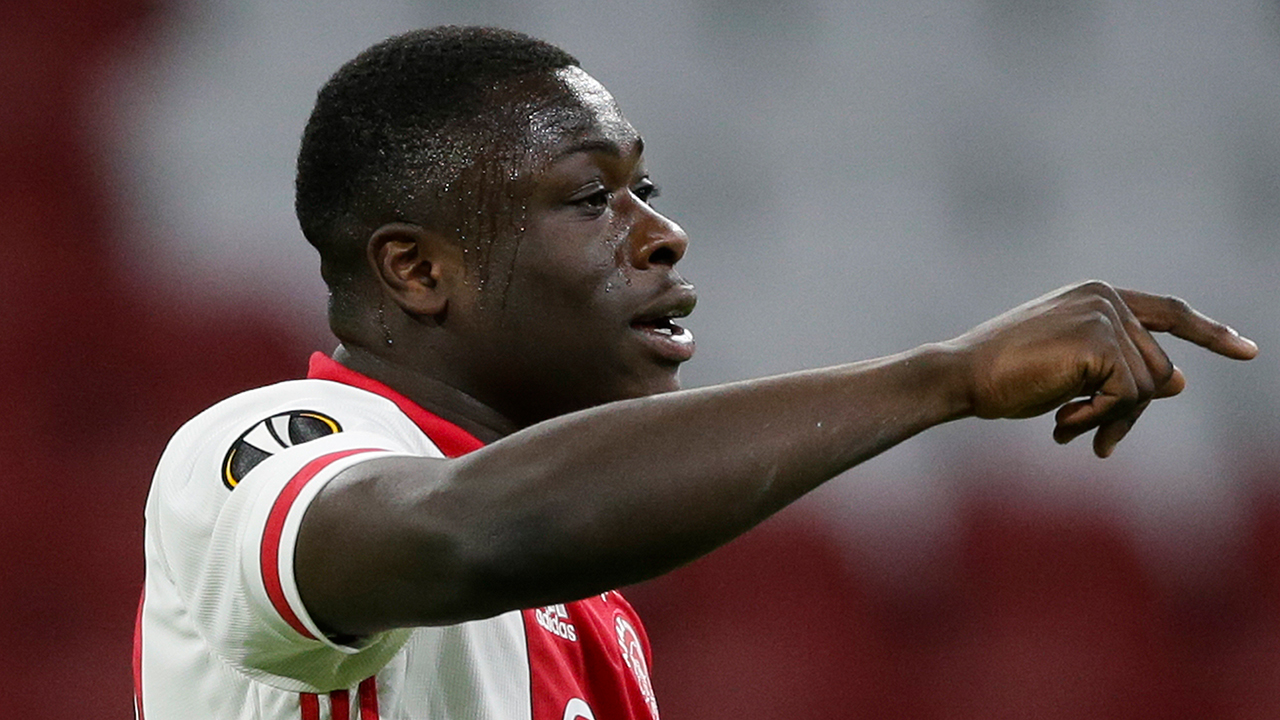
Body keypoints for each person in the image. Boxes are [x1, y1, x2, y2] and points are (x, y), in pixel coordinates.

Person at [133, 25, 1258, 720]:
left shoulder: (586, 603)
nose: (660, 234)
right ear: (418, 270)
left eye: (646, 192)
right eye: (590, 198)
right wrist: (942, 380)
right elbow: (455, 535)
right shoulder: (262, 448)